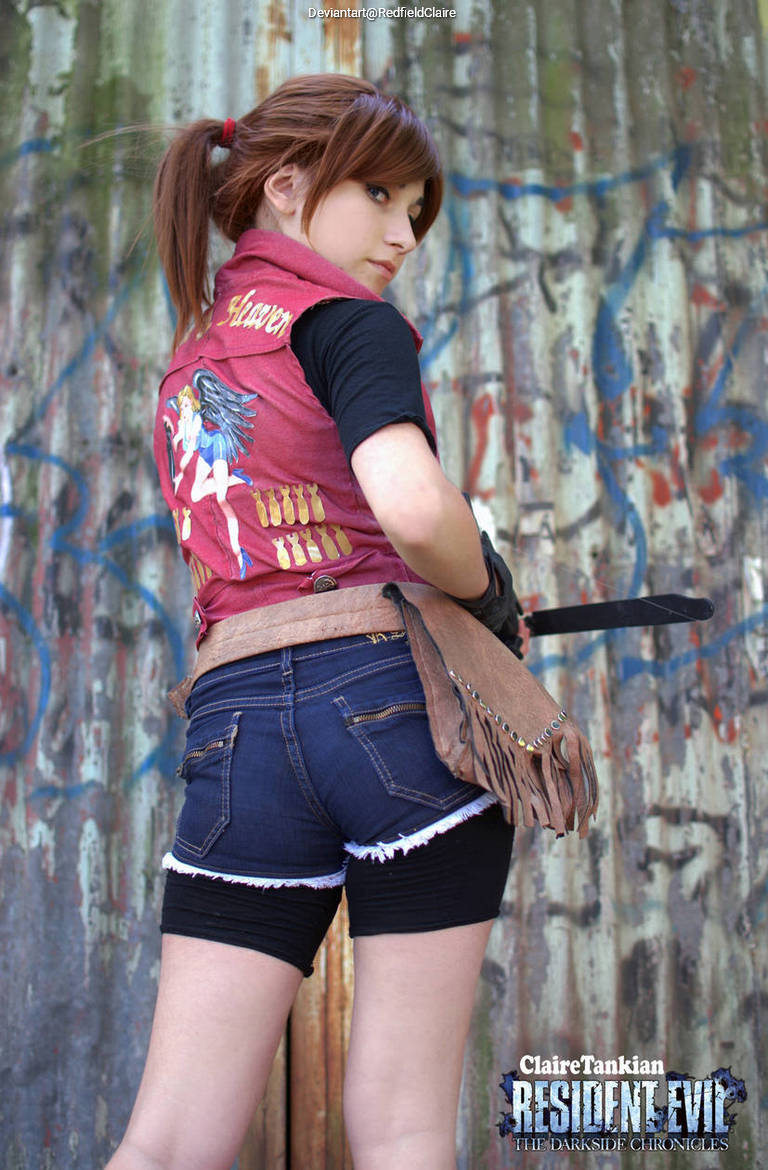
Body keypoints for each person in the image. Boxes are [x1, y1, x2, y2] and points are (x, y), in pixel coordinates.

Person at [107, 74, 524, 1170]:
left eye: (417, 211)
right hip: (394, 705)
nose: (404, 234)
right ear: (287, 190)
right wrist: (484, 588)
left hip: (234, 723)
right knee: (399, 1129)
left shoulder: (191, 364)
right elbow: (413, 505)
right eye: (381, 197)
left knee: (166, 1143)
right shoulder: (348, 321)